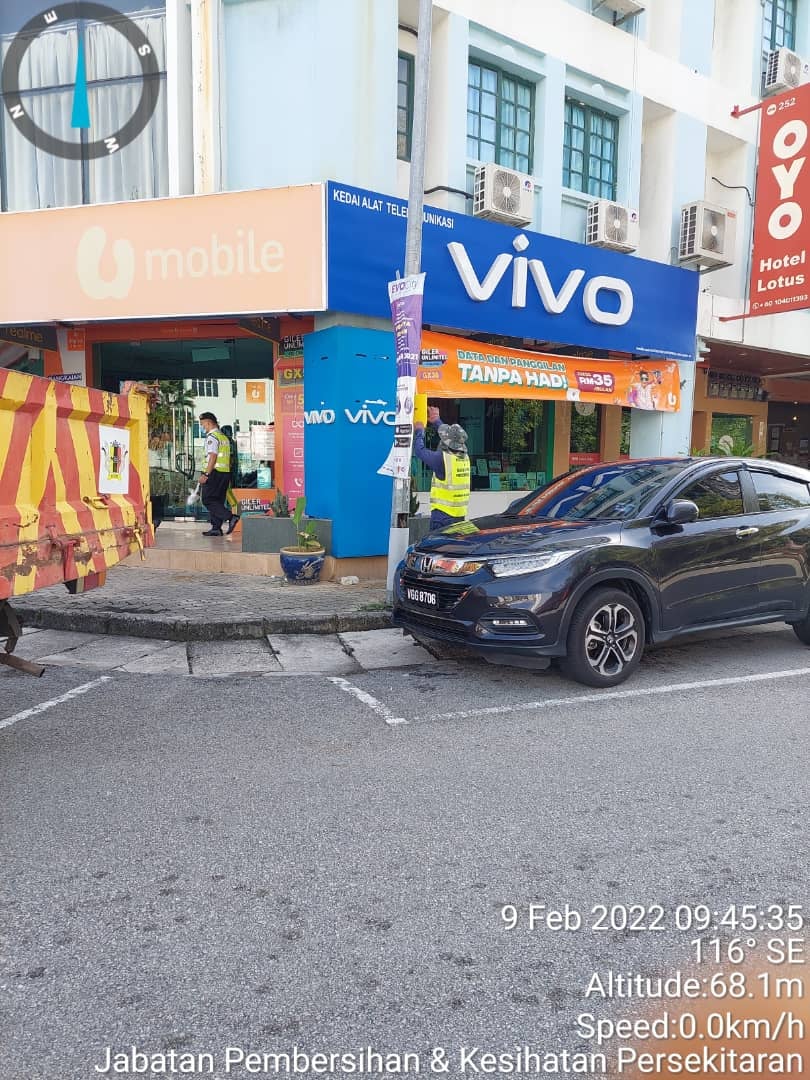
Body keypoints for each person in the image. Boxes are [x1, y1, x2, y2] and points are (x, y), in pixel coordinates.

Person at [413, 405, 471, 530]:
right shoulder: (464, 457)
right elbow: (451, 437)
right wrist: (436, 420)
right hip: (459, 515)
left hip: (442, 516)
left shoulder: (441, 459)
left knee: (436, 548)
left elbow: (419, 451)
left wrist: (419, 431)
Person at [198, 412, 239, 536]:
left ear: (209, 422)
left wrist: (206, 474)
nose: (202, 426)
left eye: (202, 424)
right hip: (224, 473)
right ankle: (216, 528)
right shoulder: (223, 437)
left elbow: (213, 457)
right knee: (218, 500)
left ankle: (231, 517)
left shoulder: (212, 437)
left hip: (214, 473)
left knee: (208, 499)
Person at [221, 424, 240, 525]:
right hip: (231, 471)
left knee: (226, 492)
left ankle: (229, 513)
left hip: (227, 471)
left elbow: (230, 458)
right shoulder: (232, 442)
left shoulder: (227, 442)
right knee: (228, 491)